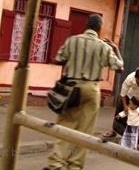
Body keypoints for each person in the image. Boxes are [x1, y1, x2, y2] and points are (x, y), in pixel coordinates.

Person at [46, 14, 123, 170]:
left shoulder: (72, 41)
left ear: (86, 25)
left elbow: (58, 59)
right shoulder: (104, 47)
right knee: (86, 130)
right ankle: (75, 165)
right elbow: (119, 67)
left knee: (65, 125)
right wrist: (116, 49)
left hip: (71, 88)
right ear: (99, 29)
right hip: (92, 89)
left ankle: (55, 163)